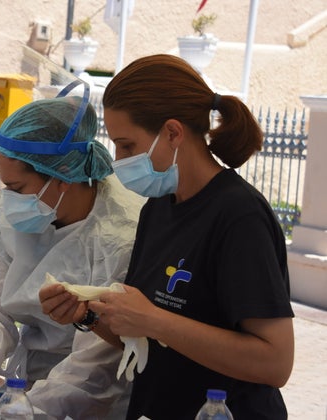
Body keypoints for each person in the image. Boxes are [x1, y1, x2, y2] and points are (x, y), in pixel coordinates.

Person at [39, 54, 294, 419]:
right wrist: (88, 315)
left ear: (173, 133)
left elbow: (276, 363)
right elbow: (149, 337)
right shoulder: (158, 209)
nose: (118, 160)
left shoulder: (239, 216)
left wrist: (155, 320)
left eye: (127, 146)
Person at [0, 88, 143, 419]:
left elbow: (95, 367)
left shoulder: (121, 234)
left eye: (17, 188)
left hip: (99, 401)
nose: (8, 199)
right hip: (28, 388)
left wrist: (23, 413)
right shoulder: (10, 211)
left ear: (63, 177)